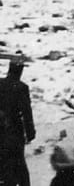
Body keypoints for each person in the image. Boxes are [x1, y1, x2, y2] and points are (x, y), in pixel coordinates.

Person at [0, 55, 36, 186]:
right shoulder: (21, 87)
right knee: (20, 167)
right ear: (20, 70)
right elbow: (27, 113)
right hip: (14, 133)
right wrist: (30, 132)